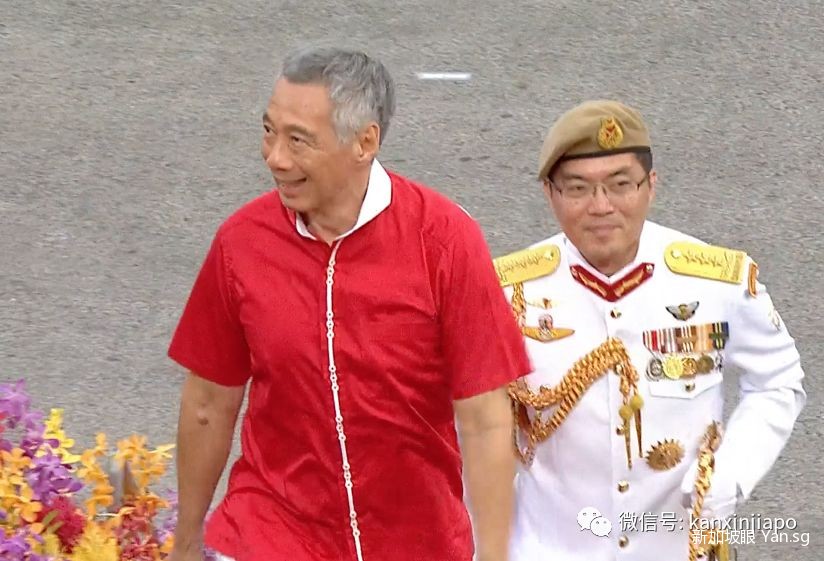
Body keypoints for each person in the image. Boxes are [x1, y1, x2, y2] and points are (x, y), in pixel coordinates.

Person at [165, 45, 531, 561]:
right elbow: (208, 403)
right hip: (268, 535)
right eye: (269, 131)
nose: (275, 157)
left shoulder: (445, 241)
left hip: (416, 542)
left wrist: (493, 555)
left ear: (365, 142)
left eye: (299, 140)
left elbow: (486, 418)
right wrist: (185, 543)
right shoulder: (240, 243)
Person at [494, 100, 806, 561]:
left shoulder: (715, 281)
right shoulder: (506, 292)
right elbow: (464, 423)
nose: (601, 206)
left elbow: (778, 380)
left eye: (621, 185)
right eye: (577, 188)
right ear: (549, 193)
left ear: (651, 186)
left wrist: (730, 475)